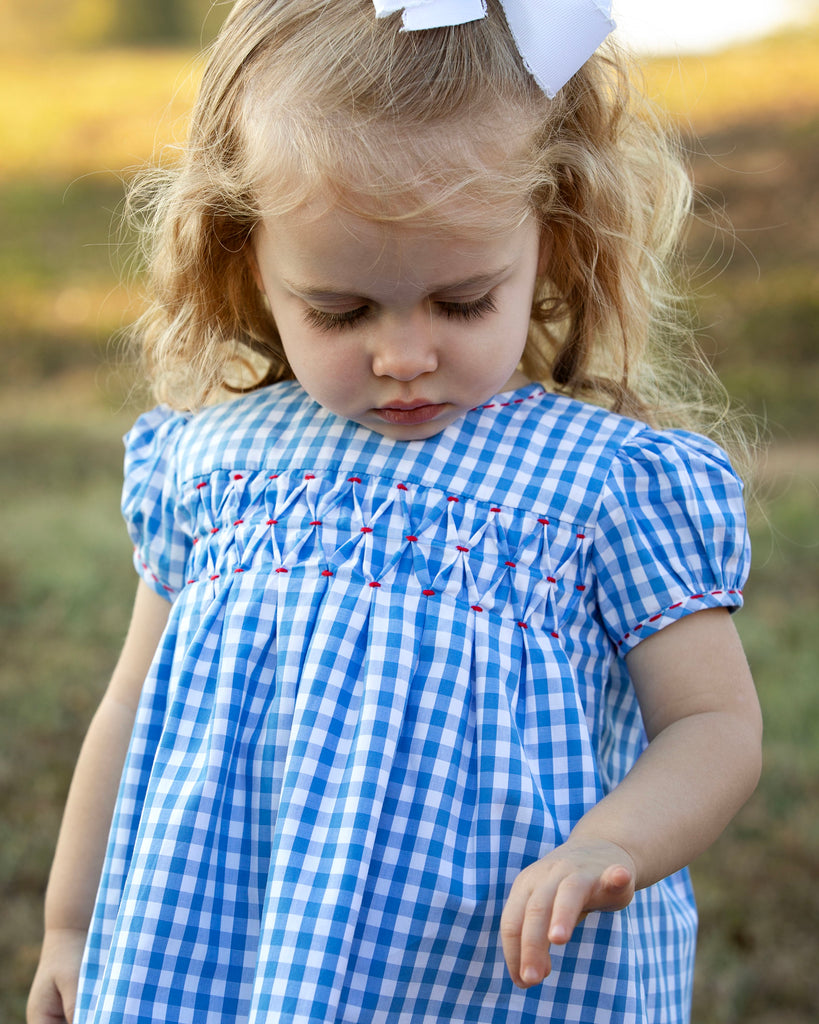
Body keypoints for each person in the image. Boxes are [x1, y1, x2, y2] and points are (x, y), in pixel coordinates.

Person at [27, 1, 763, 1022]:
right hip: (236, 957)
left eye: (463, 302)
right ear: (248, 261)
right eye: (342, 310)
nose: (404, 355)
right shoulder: (213, 463)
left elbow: (714, 723)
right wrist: (71, 921)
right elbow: (127, 710)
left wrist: (616, 840)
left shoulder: (604, 482)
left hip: (488, 968)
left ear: (548, 242)